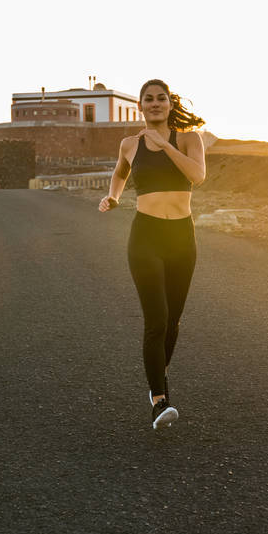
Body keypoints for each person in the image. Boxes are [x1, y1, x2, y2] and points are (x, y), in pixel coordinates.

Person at [99, 79, 206, 430]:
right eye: (149, 99)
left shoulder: (189, 139)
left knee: (173, 321)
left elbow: (198, 176)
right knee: (157, 320)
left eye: (162, 98)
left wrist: (165, 145)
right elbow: (119, 174)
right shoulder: (130, 144)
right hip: (145, 235)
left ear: (169, 105)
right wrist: (113, 196)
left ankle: (157, 375)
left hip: (180, 237)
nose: (155, 103)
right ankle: (159, 399)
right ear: (140, 106)